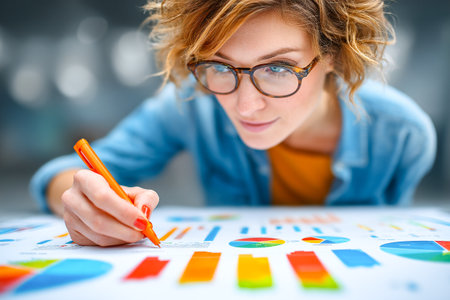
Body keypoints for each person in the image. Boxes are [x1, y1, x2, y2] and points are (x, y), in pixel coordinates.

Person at [30, 0, 436, 246]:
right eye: (220, 66)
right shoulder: (192, 101)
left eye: (278, 67)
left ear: (333, 55)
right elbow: (65, 175)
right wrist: (85, 204)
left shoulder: (403, 137)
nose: (245, 105)